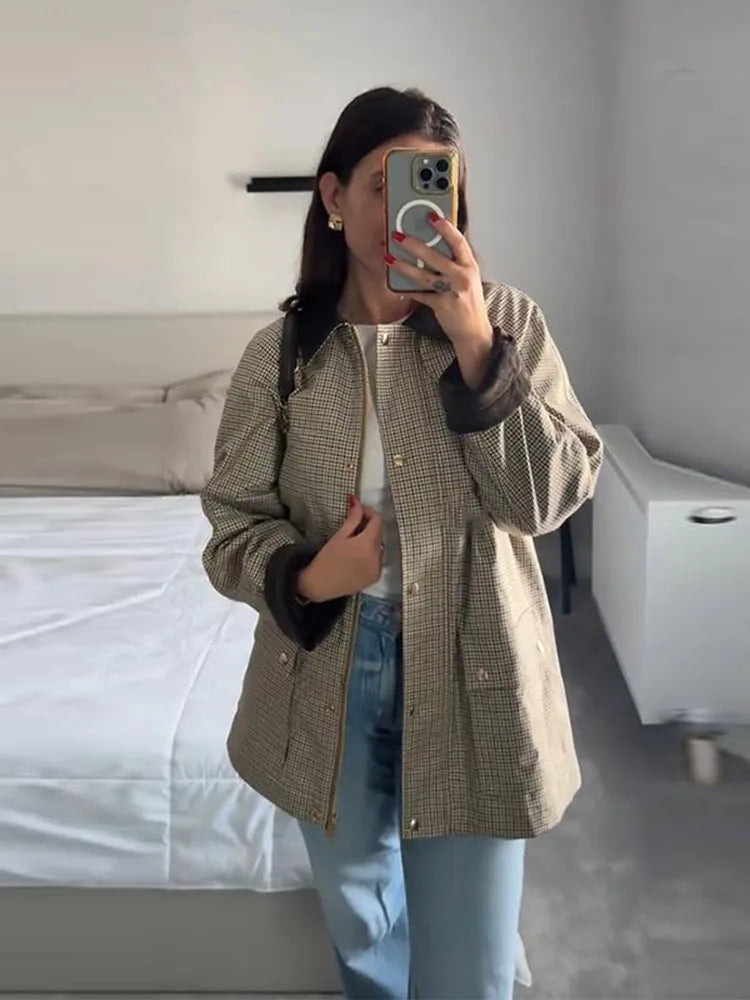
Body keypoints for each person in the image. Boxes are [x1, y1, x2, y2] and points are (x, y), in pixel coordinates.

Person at [201, 86, 602, 1000]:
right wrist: (310, 576)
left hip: (475, 663)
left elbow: (548, 499)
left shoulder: (509, 322)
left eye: (431, 184)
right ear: (333, 197)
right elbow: (232, 524)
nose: (406, 211)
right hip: (327, 676)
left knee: (469, 961)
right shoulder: (282, 355)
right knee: (361, 927)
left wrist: (475, 343)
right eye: (382, 185)